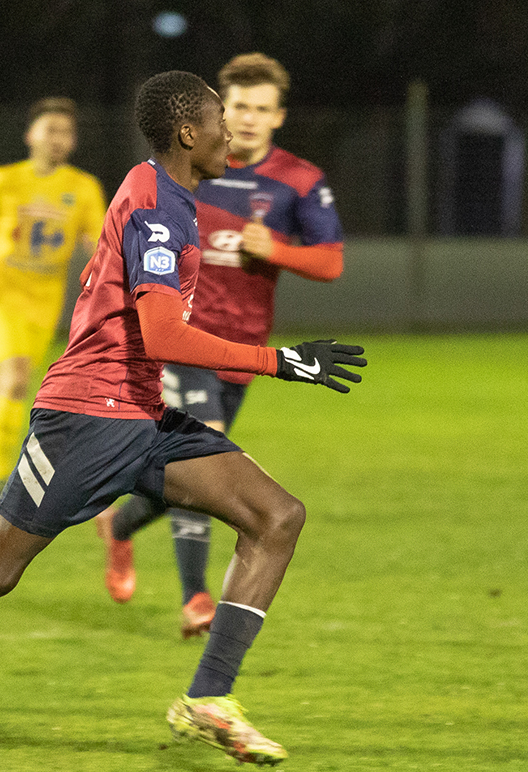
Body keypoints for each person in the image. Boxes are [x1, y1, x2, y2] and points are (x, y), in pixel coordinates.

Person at [0, 70, 365, 764]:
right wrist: (282, 362)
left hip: (141, 414)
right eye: (221, 122)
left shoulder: (164, 191)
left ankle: (208, 699)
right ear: (189, 133)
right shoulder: (161, 208)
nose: (233, 133)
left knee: (276, 517)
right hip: (89, 417)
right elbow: (165, 334)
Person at [95, 53, 344, 637]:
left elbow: (331, 262)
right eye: (238, 108)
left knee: (179, 471)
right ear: (217, 111)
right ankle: (197, 598)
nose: (249, 120)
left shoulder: (299, 181)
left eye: (262, 109)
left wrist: (276, 249)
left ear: (279, 115)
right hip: (181, 341)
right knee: (201, 457)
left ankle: (121, 526)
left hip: (240, 349)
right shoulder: (186, 170)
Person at [0, 98, 104, 513]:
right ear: (30, 134)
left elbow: (100, 242)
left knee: (9, 388)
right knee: (14, 377)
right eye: (49, 129)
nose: (58, 139)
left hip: (44, 302)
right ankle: (0, 484)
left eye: (65, 132)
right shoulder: (3, 179)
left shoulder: (83, 188)